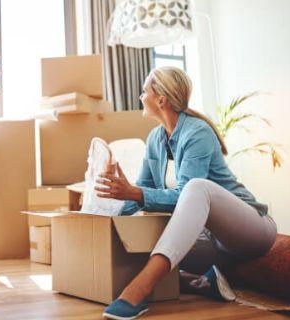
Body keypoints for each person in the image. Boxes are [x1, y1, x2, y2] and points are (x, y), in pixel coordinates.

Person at [96, 66, 277, 319]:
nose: (140, 96)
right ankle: (199, 282)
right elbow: (138, 194)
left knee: (195, 187)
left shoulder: (197, 133)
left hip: (252, 231)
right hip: (212, 243)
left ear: (161, 99)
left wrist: (134, 193)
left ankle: (138, 291)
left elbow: (178, 194)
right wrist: (108, 218)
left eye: (144, 91)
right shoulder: (155, 139)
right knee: (141, 240)